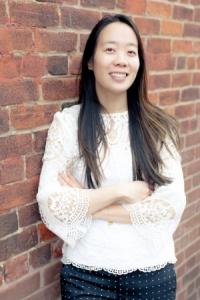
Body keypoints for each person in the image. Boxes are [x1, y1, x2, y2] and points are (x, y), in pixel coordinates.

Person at [36, 14, 186, 300]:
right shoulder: (68, 123)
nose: (121, 60)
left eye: (131, 52)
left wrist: (88, 202)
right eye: (110, 50)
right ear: (91, 62)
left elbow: (170, 205)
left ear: (139, 63)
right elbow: (51, 202)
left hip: (151, 274)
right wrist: (123, 191)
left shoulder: (159, 127)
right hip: (85, 275)